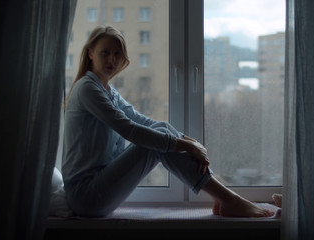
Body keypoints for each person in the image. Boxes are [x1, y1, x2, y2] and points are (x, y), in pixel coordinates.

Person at [62, 25, 274, 218]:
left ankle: (224, 197)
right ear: (90, 53)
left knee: (161, 129)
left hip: (101, 188)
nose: (112, 60)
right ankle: (229, 199)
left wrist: (186, 141)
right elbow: (130, 130)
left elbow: (140, 120)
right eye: (105, 53)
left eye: (117, 54)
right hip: (86, 196)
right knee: (155, 144)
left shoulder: (108, 91)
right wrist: (186, 145)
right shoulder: (87, 88)